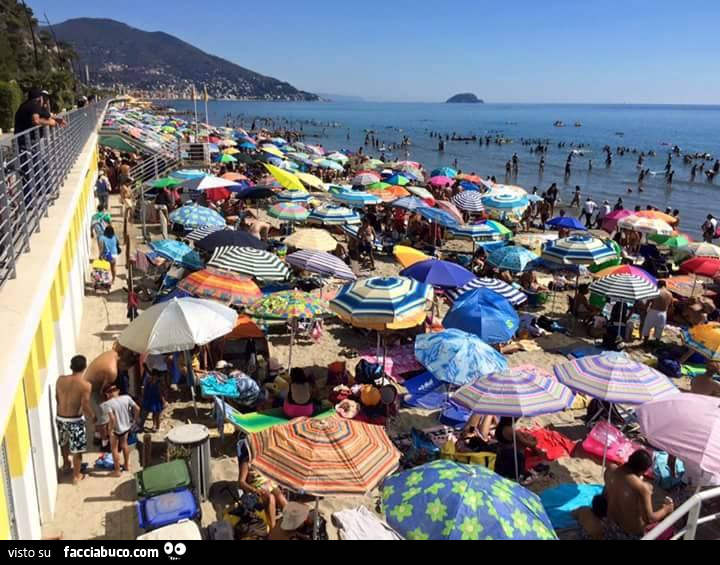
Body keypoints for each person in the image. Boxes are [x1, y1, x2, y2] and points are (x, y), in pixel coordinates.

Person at [604, 450, 674, 540]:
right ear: (642, 471)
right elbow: (649, 519)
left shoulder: (611, 469)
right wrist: (666, 509)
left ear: (629, 459)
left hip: (610, 525)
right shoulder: (641, 488)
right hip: (630, 534)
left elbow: (608, 492)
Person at [237, 431, 288, 529]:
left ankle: (292, 524)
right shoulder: (247, 461)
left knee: (281, 498)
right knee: (270, 498)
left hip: (270, 483)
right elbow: (241, 482)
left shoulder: (265, 456)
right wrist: (253, 490)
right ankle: (272, 529)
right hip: (257, 487)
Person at [56, 356, 93, 485]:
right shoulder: (86, 385)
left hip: (60, 418)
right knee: (77, 450)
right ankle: (76, 476)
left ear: (71, 366)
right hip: (75, 420)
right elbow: (86, 405)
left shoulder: (60, 380)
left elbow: (57, 398)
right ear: (84, 367)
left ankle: (66, 464)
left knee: (64, 442)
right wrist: (93, 417)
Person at [101, 384, 140, 477]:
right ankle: (126, 465)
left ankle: (117, 471)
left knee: (114, 449)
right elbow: (137, 408)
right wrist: (134, 421)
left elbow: (112, 419)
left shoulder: (107, 404)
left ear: (107, 394)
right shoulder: (126, 398)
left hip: (115, 429)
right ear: (118, 391)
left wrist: (110, 430)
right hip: (126, 427)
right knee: (124, 445)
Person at [139, 368, 166, 433]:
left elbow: (144, 390)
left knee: (149, 414)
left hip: (149, 399)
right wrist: (164, 402)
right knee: (157, 415)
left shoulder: (148, 381)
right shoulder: (158, 383)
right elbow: (160, 394)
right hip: (156, 401)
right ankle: (157, 427)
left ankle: (150, 426)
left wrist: (143, 398)